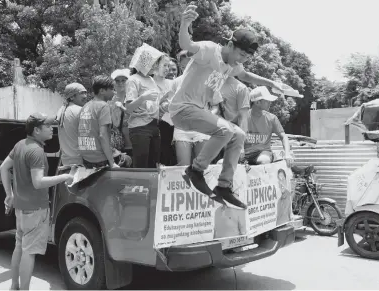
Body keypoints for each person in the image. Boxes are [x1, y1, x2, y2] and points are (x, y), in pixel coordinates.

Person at [169, 5, 284, 208]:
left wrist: (271, 83)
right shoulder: (210, 51)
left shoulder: (231, 65)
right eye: (241, 55)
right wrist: (185, 24)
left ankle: (224, 186)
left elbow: (245, 75)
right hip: (182, 109)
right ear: (230, 45)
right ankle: (195, 171)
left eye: (247, 58)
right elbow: (187, 43)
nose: (241, 61)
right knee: (225, 130)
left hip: (198, 111)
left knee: (238, 134)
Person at [0, 112, 74, 290]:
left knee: (19, 247)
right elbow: (38, 182)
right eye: (47, 126)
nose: (51, 129)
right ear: (36, 130)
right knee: (29, 252)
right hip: (35, 210)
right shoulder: (36, 151)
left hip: (21, 209)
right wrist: (64, 177)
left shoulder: (20, 145)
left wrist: (9, 194)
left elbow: (3, 167)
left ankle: (14, 286)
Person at [125, 43, 166, 168]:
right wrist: (143, 97)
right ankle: (139, 188)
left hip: (154, 126)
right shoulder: (133, 79)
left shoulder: (151, 79)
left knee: (153, 165)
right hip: (139, 127)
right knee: (141, 166)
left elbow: (153, 104)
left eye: (156, 63)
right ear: (144, 62)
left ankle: (150, 188)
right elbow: (128, 108)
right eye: (153, 62)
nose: (156, 66)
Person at [78, 75, 125, 168]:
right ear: (102, 91)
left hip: (86, 156)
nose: (114, 92)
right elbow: (103, 135)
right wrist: (112, 162)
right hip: (99, 158)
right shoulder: (104, 106)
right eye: (112, 89)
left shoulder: (86, 106)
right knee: (127, 160)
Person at [243, 86, 294, 167]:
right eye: (267, 101)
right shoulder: (243, 117)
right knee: (221, 162)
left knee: (263, 160)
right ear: (257, 102)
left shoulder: (272, 118)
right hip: (244, 153)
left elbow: (283, 137)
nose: (270, 103)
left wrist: (287, 154)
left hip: (263, 153)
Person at [56, 83, 87, 166]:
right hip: (82, 163)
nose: (85, 96)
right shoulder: (81, 111)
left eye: (85, 93)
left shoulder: (61, 110)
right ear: (72, 97)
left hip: (67, 162)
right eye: (81, 93)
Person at [109, 68, 133, 157]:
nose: (120, 83)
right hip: (117, 145)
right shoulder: (109, 101)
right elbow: (114, 123)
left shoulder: (133, 98)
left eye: (123, 80)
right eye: (117, 80)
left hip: (133, 142)